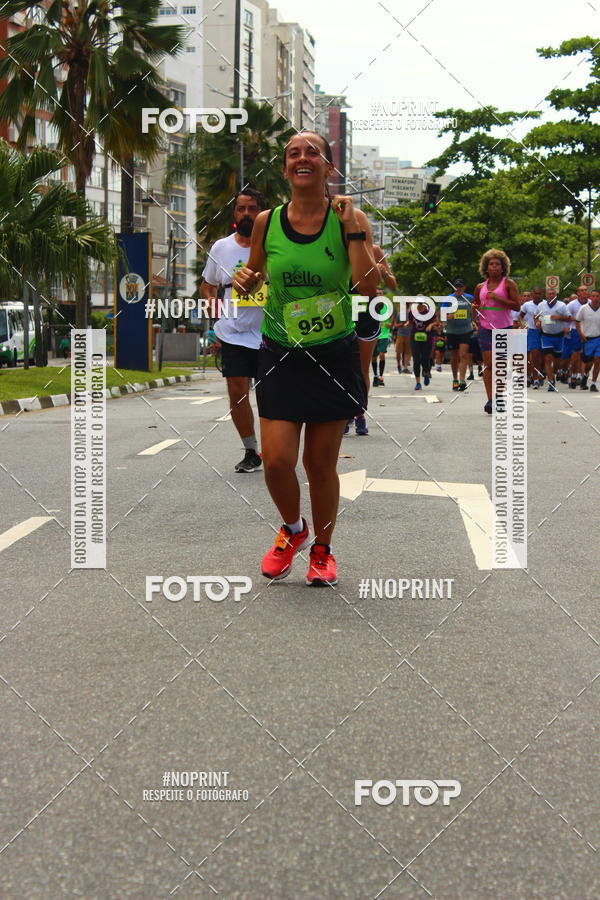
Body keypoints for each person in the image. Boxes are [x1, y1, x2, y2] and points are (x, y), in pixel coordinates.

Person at [233, 131, 379, 585]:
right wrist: (245, 279)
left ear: (327, 166)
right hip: (279, 352)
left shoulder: (349, 219)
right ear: (284, 168)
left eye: (312, 151)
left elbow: (367, 288)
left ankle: (323, 550)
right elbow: (255, 273)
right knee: (276, 460)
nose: (302, 157)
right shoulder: (267, 222)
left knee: (319, 465)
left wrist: (353, 228)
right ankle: (293, 530)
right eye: (293, 152)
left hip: (332, 354)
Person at [201, 189, 266, 472]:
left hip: (269, 334)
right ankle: (251, 450)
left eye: (252, 209)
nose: (246, 214)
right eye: (241, 209)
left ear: (261, 213)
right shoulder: (221, 248)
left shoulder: (273, 246)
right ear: (234, 213)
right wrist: (211, 302)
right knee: (237, 394)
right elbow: (207, 284)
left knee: (271, 396)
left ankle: (276, 448)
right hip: (233, 332)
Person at [349, 247, 397, 435]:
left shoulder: (375, 251)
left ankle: (359, 412)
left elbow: (392, 285)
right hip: (342, 307)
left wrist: (383, 273)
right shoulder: (336, 242)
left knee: (361, 368)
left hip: (367, 312)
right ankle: (343, 413)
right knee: (341, 365)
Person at [472, 248, 520, 414]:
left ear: (503, 267)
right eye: (491, 264)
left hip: (504, 327)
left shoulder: (508, 284)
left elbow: (516, 306)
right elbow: (477, 306)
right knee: (488, 365)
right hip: (486, 329)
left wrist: (499, 298)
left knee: (500, 365)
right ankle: (491, 400)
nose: (494, 267)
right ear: (486, 267)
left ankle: (499, 396)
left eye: (497, 264)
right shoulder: (480, 287)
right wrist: (474, 313)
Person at [534, 287, 571, 391]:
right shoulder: (541, 305)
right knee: (548, 358)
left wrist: (559, 318)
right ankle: (551, 381)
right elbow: (536, 316)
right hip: (546, 336)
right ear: (546, 295)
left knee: (557, 361)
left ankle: (554, 374)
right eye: (549, 294)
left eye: (553, 294)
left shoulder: (562, 305)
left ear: (556, 295)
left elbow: (569, 318)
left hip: (559, 336)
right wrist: (537, 322)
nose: (551, 295)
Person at [443, 278, 474, 391]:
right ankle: (455, 379)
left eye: (461, 286)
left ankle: (462, 380)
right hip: (452, 331)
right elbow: (441, 315)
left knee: (463, 354)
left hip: (465, 330)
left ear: (464, 287)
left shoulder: (469, 298)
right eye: (456, 287)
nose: (459, 288)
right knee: (454, 356)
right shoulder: (449, 298)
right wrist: (447, 316)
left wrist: (475, 321)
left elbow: (474, 311)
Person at [403, 297, 438, 390]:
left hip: (427, 338)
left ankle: (426, 372)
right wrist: (407, 324)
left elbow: (436, 322)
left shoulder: (429, 312)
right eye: (418, 303)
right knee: (416, 360)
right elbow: (411, 321)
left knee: (425, 359)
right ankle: (418, 383)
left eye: (421, 303)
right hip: (415, 337)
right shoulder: (412, 312)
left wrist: (430, 325)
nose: (419, 305)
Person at [576, 288, 600, 391]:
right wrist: (581, 334)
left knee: (598, 360)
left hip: (598, 338)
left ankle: (593, 383)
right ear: (590, 297)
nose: (595, 298)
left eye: (597, 296)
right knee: (588, 363)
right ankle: (585, 376)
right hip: (588, 339)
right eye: (593, 296)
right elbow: (577, 321)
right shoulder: (583, 308)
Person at [519, 289, 543, 388]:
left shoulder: (545, 304)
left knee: (541, 356)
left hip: (544, 332)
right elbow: (520, 317)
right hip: (531, 331)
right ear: (533, 295)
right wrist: (523, 325)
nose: (537, 295)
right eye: (535, 293)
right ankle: (532, 377)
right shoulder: (527, 305)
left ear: (542, 295)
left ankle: (539, 375)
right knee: (532, 355)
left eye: (539, 293)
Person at [566, 286, 589, 388]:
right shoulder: (572, 304)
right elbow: (566, 316)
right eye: (582, 290)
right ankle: (573, 376)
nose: (584, 292)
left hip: (587, 331)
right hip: (575, 331)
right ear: (578, 293)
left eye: (585, 290)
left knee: (585, 355)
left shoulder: (590, 303)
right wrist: (566, 328)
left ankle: (581, 376)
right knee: (575, 355)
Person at [372, 289, 393, 387]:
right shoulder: (371, 306)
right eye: (377, 293)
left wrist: (390, 323)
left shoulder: (387, 306)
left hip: (384, 334)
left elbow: (391, 317)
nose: (378, 295)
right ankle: (375, 376)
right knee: (373, 357)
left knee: (381, 355)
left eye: (380, 293)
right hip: (373, 334)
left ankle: (381, 376)